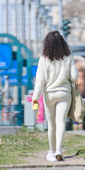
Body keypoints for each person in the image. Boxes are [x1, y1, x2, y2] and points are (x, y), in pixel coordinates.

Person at [30, 30, 78, 162]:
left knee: (51, 124)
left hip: (49, 94)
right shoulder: (68, 58)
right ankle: (59, 150)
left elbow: (40, 81)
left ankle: (51, 151)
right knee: (61, 122)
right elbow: (74, 77)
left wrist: (35, 98)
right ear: (63, 43)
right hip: (64, 93)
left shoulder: (43, 59)